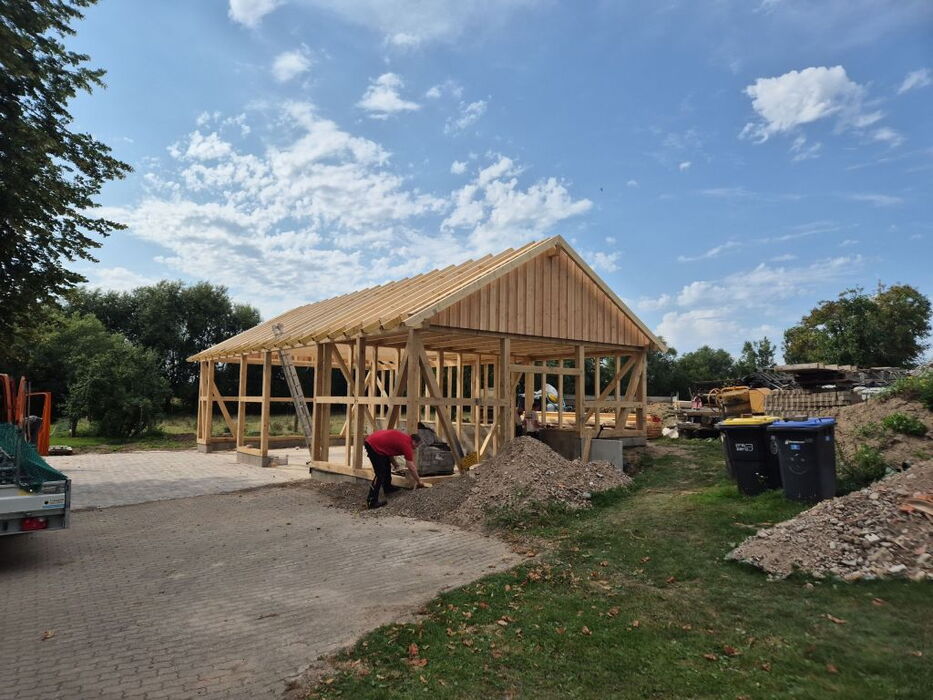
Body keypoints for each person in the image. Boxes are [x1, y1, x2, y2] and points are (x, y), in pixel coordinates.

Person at [364, 429, 423, 509]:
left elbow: (388, 449)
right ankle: (372, 501)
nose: (416, 448)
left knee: (386, 466)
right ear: (413, 441)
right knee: (380, 474)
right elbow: (411, 467)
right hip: (373, 445)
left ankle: (388, 488)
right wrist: (419, 481)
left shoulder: (404, 439)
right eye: (417, 445)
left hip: (375, 441)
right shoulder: (407, 445)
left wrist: (395, 464)